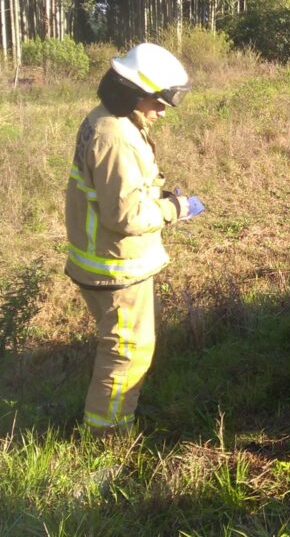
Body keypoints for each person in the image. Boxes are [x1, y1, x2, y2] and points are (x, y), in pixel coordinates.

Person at [64, 43, 204, 433]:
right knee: (125, 353)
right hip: (116, 266)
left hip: (105, 259)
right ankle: (107, 438)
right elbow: (125, 215)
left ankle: (112, 421)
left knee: (122, 346)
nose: (161, 112)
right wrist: (177, 209)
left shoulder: (107, 121)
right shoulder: (118, 138)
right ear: (131, 93)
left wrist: (157, 194)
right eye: (157, 102)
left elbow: (115, 192)